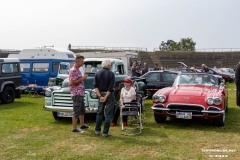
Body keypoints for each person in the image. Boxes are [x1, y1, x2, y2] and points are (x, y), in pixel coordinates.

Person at [94, 59, 115, 137]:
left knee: (99, 113)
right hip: (109, 94)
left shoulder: (97, 73)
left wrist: (100, 96)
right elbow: (111, 87)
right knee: (108, 114)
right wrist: (106, 96)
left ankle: (97, 130)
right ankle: (105, 133)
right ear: (109, 65)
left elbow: (95, 86)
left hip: (100, 94)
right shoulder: (111, 74)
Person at [69, 55, 89, 133]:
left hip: (80, 93)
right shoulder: (73, 70)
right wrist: (82, 79)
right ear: (77, 61)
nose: (83, 62)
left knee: (82, 110)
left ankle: (82, 125)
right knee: (76, 111)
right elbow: (71, 82)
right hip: (76, 93)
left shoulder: (78, 70)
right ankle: (74, 128)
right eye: (82, 61)